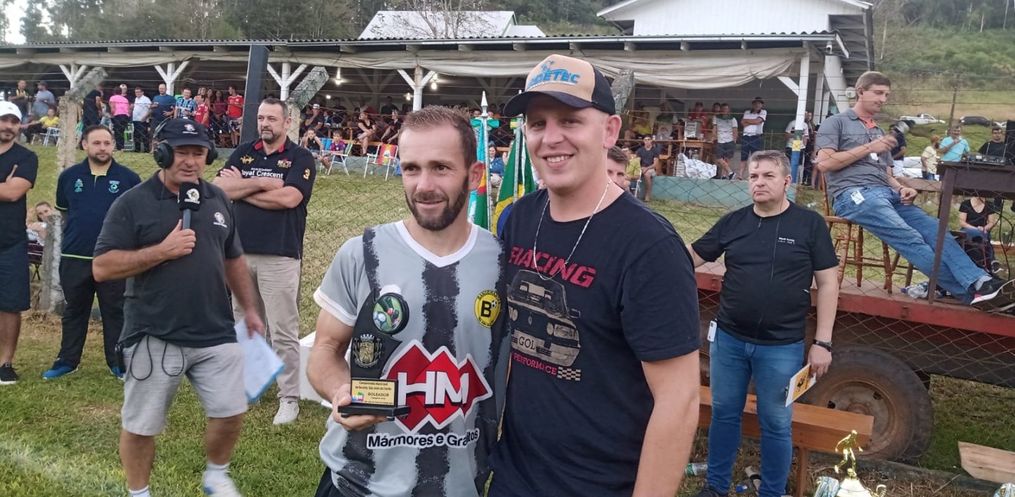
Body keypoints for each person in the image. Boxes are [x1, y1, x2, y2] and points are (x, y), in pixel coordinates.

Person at [489, 53, 701, 497]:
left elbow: (678, 400)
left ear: (609, 131)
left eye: (570, 120)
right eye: (537, 123)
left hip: (601, 485)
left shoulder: (649, 246)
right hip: (514, 475)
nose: (551, 138)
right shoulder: (520, 218)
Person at [307, 105, 506, 497]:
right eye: (412, 168)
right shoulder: (361, 253)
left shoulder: (502, 263)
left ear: (475, 174)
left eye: (441, 168)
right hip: (356, 484)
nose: (424, 185)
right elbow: (325, 349)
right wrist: (340, 390)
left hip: (460, 486)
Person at [92, 118, 264, 497]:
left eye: (198, 153)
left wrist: (250, 309)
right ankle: (139, 492)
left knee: (231, 411)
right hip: (155, 332)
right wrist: (161, 251)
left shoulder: (217, 198)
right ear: (162, 154)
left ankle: (217, 474)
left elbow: (233, 257)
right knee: (142, 425)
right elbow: (102, 267)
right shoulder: (133, 203)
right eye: (181, 152)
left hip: (215, 329)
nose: (190, 161)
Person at [687, 150, 839, 497]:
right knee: (724, 413)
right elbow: (689, 257)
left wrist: (823, 342)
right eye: (754, 176)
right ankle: (716, 487)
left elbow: (829, 284)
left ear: (787, 181)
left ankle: (771, 491)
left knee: (776, 422)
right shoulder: (734, 222)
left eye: (768, 176)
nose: (759, 182)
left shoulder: (809, 225)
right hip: (729, 340)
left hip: (781, 346)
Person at [815, 71, 1012, 310]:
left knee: (937, 231)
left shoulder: (879, 132)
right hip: (854, 195)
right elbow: (824, 163)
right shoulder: (836, 122)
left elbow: (886, 173)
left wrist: (901, 188)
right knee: (911, 238)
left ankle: (982, 283)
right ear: (860, 92)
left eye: (886, 95)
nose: (883, 99)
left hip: (888, 194)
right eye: (878, 93)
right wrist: (869, 147)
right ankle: (973, 294)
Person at [214, 97, 316, 425]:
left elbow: (289, 198)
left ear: (287, 123)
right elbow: (219, 188)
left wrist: (241, 188)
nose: (264, 124)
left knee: (283, 329)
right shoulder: (244, 152)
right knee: (245, 325)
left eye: (272, 118)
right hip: (239, 254)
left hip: (280, 254)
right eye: (261, 118)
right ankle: (250, 386)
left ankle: (289, 398)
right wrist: (260, 183)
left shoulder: (300, 157)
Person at [42, 125, 142, 381]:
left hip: (113, 259)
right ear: (84, 144)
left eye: (107, 143)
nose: (102, 148)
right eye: (96, 143)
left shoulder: (129, 179)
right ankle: (67, 360)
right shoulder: (69, 177)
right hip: (76, 256)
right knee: (74, 310)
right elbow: (65, 211)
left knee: (115, 311)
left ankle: (118, 363)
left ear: (114, 146)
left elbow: (136, 219)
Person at [0, 102, 39, 385]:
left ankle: (5, 362)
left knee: (10, 304)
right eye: (4, 120)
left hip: (10, 241)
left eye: (14, 121)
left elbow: (14, 193)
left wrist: (8, 187)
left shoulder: (26, 157)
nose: (9, 126)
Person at [958, 196, 998, 265]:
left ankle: (991, 262)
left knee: (985, 239)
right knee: (975, 238)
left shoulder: (989, 205)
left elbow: (991, 222)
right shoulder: (965, 204)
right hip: (968, 229)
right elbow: (962, 222)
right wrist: (975, 229)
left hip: (983, 230)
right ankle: (990, 260)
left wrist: (984, 228)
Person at [740, 97, 767, 177]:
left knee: (755, 157)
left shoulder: (763, 112)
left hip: (756, 137)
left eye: (759, 103)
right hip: (746, 136)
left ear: (762, 105)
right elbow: (743, 123)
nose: (757, 105)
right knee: (743, 157)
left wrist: (747, 121)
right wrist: (753, 121)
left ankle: (753, 175)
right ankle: (740, 175)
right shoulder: (747, 112)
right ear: (753, 104)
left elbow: (758, 121)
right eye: (756, 103)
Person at [714, 103, 738, 179]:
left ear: (729, 110)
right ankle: (730, 172)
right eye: (723, 109)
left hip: (729, 140)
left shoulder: (733, 119)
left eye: (726, 109)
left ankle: (724, 175)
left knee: (727, 159)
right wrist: (714, 137)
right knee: (719, 158)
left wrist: (734, 141)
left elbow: (735, 131)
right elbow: (714, 129)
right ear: (721, 110)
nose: (724, 110)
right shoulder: (716, 118)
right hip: (720, 140)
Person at [150, 84, 177, 150]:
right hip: (155, 119)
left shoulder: (171, 98)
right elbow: (150, 106)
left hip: (165, 120)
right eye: (160, 88)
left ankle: (163, 149)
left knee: (163, 136)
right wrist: (153, 106)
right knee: (153, 134)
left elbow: (176, 108)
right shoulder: (156, 97)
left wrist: (170, 113)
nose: (161, 90)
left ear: (166, 89)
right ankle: (153, 150)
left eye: (162, 88)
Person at [635, 135, 662, 201]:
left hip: (651, 168)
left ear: (651, 140)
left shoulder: (655, 150)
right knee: (633, 173)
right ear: (643, 141)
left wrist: (646, 168)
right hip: (641, 168)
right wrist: (641, 168)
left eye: (648, 139)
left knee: (647, 174)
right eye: (645, 140)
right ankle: (634, 194)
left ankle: (647, 194)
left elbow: (655, 164)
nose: (647, 141)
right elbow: (637, 161)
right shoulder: (640, 150)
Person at [109, 85, 131, 150]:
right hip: (125, 116)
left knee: (117, 131)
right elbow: (128, 109)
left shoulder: (112, 98)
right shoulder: (125, 99)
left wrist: (111, 115)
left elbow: (113, 108)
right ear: (121, 92)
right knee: (122, 131)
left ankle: (119, 147)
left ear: (114, 92)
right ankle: (122, 146)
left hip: (117, 115)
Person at [131, 87, 152, 153]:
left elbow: (150, 109)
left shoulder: (146, 99)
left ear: (142, 92)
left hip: (143, 120)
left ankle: (146, 150)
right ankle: (137, 149)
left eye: (138, 92)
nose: (137, 93)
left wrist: (145, 117)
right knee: (136, 135)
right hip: (135, 120)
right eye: (136, 92)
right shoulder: (136, 99)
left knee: (144, 135)